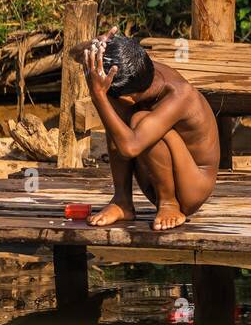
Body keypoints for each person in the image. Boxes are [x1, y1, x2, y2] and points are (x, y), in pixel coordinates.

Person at [75, 31, 219, 231]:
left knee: (138, 119)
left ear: (130, 97)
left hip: (193, 187)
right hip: (156, 175)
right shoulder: (139, 71)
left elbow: (129, 148)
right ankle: (122, 202)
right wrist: (98, 46)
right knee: (120, 114)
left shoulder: (179, 94)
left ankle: (169, 204)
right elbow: (74, 54)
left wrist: (98, 95)